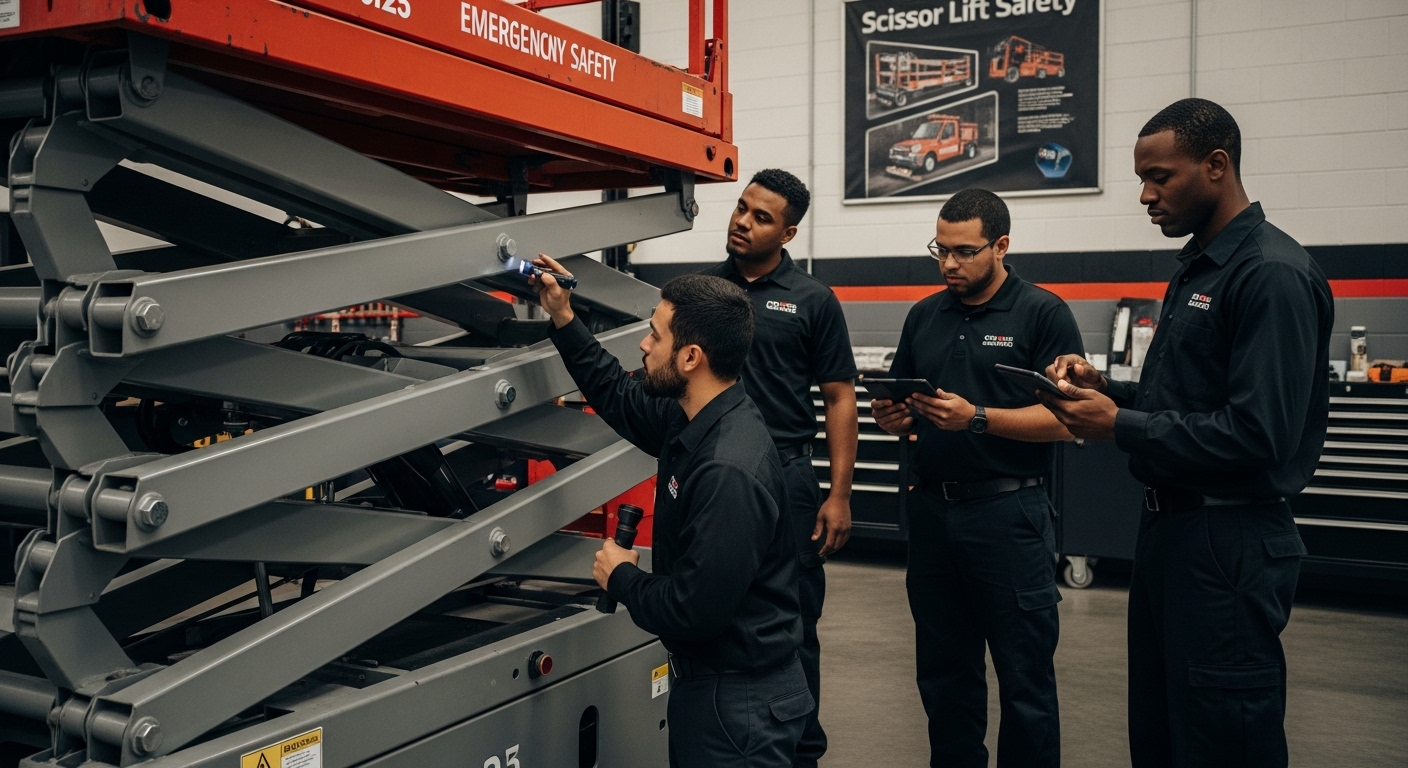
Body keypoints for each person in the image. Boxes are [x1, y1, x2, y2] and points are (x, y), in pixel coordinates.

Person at [1038, 99, 1333, 768]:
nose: (1145, 195)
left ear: (1217, 165)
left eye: (1160, 177)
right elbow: (1188, 400)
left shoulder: (1271, 275)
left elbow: (1260, 435)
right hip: (1172, 534)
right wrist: (1105, 390)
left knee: (1221, 735)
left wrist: (1121, 426)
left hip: (1228, 540)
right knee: (1165, 730)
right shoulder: (1200, 267)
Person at [532, 261, 814, 768]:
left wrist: (622, 578)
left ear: (690, 356)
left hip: (738, 705)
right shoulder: (699, 416)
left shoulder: (728, 469)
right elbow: (618, 395)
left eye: (654, 334)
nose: (643, 345)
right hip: (718, 688)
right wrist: (563, 316)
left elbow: (693, 610)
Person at [870, 188, 1080, 768]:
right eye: (940, 250)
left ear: (1002, 246)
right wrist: (893, 418)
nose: (948, 265)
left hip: (1009, 519)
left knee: (1025, 682)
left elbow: (1069, 422)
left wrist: (979, 418)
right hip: (934, 518)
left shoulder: (1043, 313)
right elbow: (904, 404)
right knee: (944, 678)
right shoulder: (924, 315)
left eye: (963, 252)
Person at [702, 168, 858, 768]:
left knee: (792, 622)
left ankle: (801, 752)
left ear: (788, 231)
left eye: (761, 217)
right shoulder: (703, 291)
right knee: (712, 608)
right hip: (713, 476)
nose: (742, 221)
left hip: (787, 478)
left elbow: (840, 397)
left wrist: (838, 495)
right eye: (742, 207)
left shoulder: (812, 299)